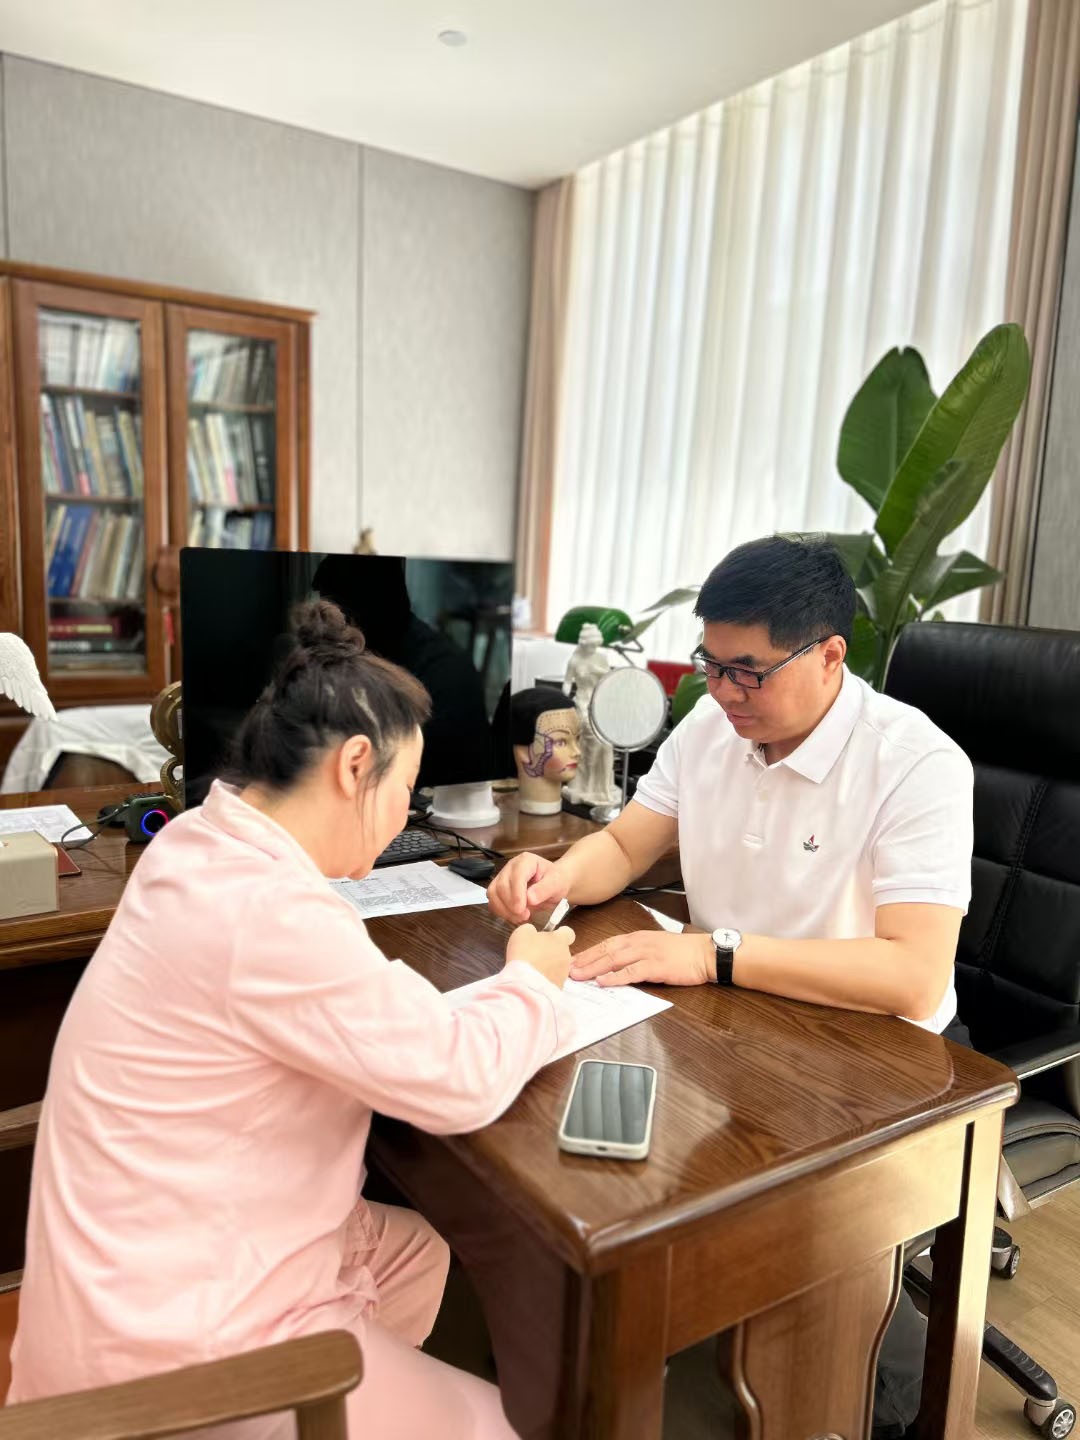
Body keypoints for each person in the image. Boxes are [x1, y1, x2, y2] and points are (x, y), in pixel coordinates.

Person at [9, 600, 576, 1440]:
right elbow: (457, 1080)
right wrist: (532, 979)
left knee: (417, 1252)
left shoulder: (198, 841)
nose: (404, 816)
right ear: (356, 765)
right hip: (173, 1360)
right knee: (502, 1424)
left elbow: (338, 1008)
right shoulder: (269, 912)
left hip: (130, 1276)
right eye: (405, 790)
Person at [487, 534, 975, 1440]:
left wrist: (713, 953)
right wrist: (555, 877)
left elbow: (912, 975)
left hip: (873, 1055)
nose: (721, 691)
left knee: (816, 1265)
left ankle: (883, 1397)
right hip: (726, 1019)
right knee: (575, 1167)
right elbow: (626, 846)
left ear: (829, 654)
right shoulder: (712, 726)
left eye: (747, 672)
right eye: (710, 665)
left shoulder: (916, 763)